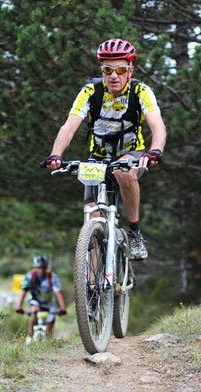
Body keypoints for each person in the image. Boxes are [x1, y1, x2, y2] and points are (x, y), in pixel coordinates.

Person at [42, 38, 167, 260]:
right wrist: (56, 154)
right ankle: (89, 287)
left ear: (130, 70)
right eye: (107, 70)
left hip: (131, 154)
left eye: (120, 69)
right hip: (97, 159)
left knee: (122, 170)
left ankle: (135, 233)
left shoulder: (141, 91)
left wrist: (155, 150)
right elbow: (69, 127)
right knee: (92, 219)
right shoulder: (91, 91)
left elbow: (158, 126)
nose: (113, 76)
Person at [15, 256, 67, 337]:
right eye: (38, 267)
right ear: (34, 267)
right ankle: (31, 335)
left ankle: (47, 344)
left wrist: (63, 308)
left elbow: (58, 293)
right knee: (34, 311)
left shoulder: (52, 277)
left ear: (46, 267)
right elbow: (23, 292)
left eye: (43, 267)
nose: (41, 270)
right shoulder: (30, 276)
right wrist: (18, 307)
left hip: (49, 303)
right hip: (36, 300)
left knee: (49, 332)